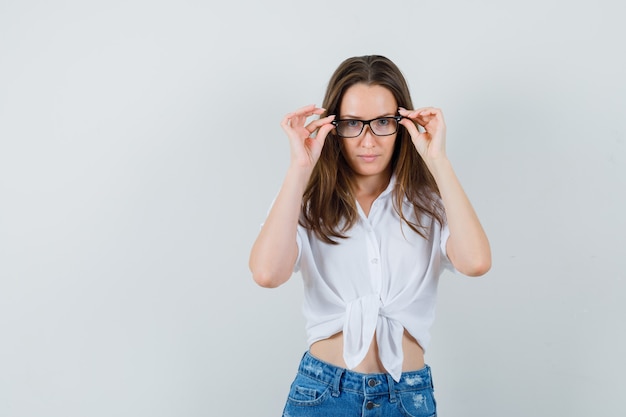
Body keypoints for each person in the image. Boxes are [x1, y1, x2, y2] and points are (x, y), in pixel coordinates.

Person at [249, 55, 491, 417]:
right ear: (334, 126)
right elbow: (267, 274)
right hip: (323, 396)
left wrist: (438, 160)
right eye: (352, 123)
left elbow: (475, 263)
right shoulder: (306, 201)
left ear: (402, 123)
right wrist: (300, 167)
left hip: (407, 398)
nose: (368, 140)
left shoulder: (429, 204)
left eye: (382, 122)